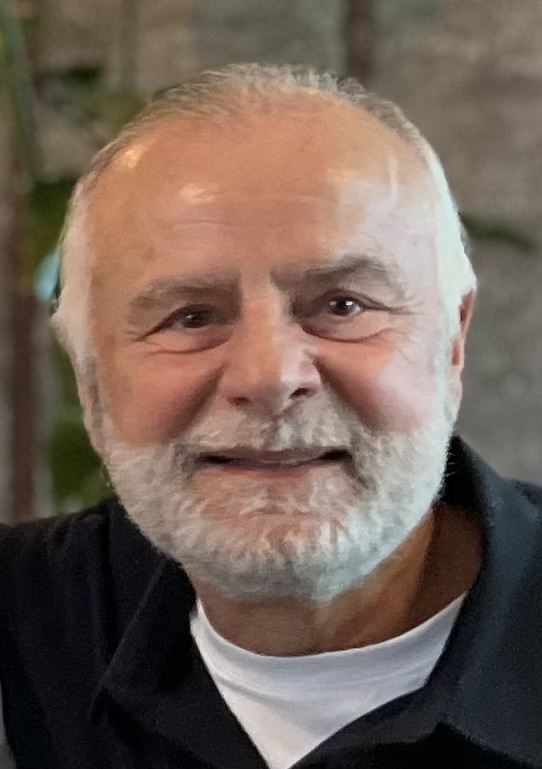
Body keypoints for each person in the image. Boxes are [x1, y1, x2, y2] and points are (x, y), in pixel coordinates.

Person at [0, 64, 541, 769]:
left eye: (343, 305)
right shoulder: (30, 623)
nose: (269, 377)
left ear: (452, 345)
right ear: (91, 378)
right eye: (190, 317)